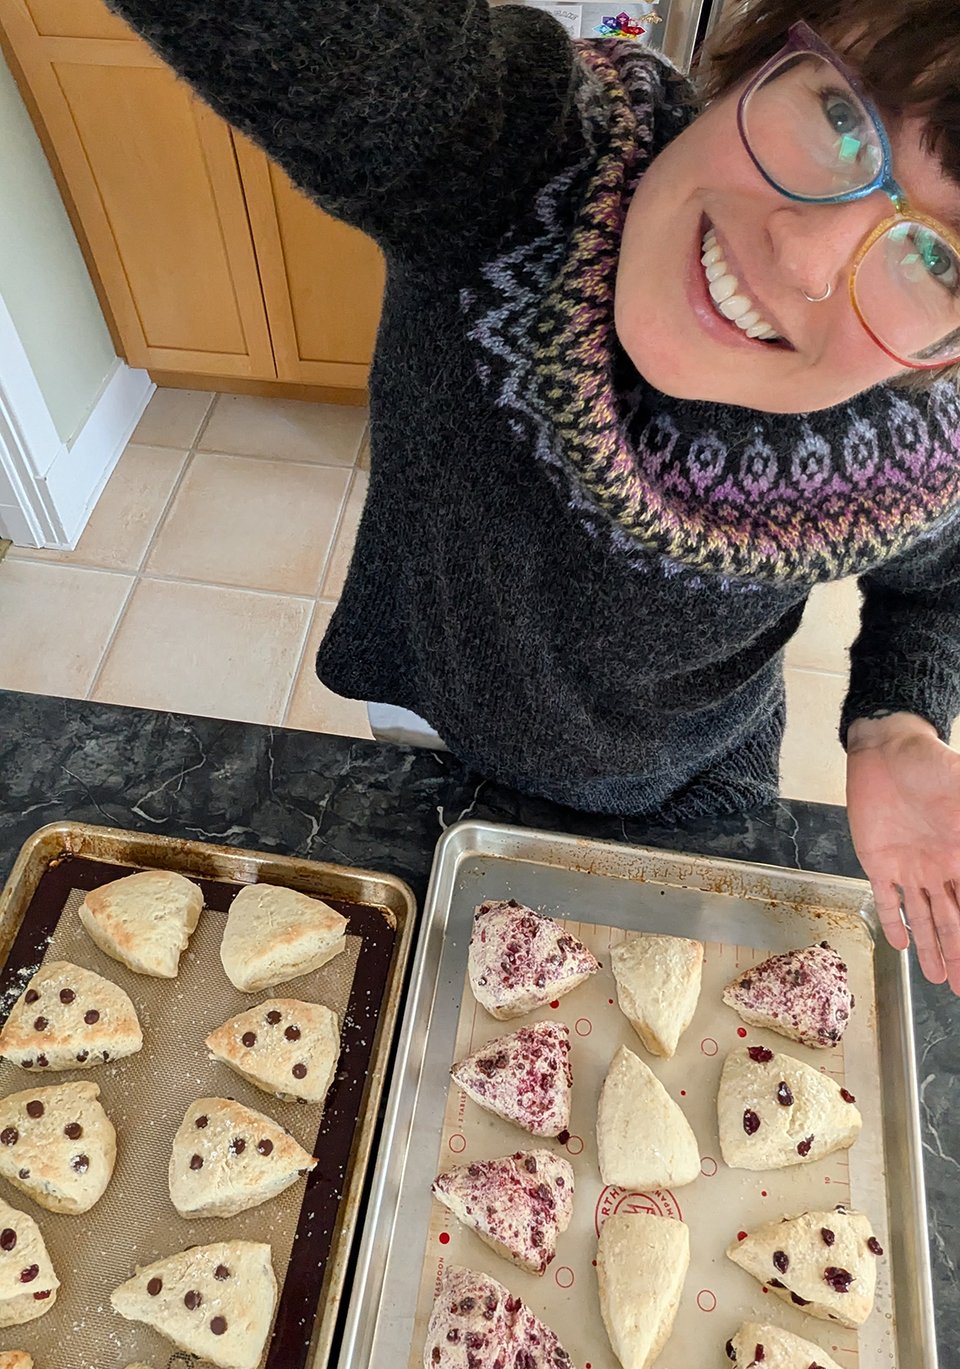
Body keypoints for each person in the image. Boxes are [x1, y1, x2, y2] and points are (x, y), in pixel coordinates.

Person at [107, 0, 960, 992]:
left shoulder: (914, 441)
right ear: (763, 56)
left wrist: (898, 720)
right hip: (428, 707)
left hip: (695, 778)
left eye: (939, 256)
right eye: (840, 115)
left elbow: (937, 582)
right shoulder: (514, 162)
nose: (804, 260)